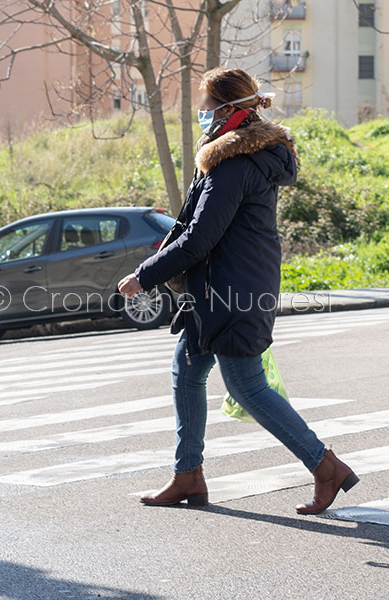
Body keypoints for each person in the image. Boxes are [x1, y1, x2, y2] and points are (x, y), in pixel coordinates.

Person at [117, 67, 358, 515]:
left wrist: (143, 276)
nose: (201, 113)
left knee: (247, 386)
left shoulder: (234, 165)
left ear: (229, 110)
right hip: (219, 289)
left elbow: (198, 238)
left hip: (233, 292)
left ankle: (325, 466)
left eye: (206, 106)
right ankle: (187, 474)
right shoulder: (233, 158)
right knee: (187, 371)